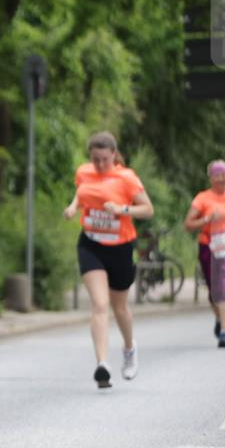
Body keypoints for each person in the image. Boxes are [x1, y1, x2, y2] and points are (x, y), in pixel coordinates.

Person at [62, 131, 154, 388]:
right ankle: (102, 364)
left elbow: (148, 209)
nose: (100, 164)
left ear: (113, 155)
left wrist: (123, 209)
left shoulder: (127, 178)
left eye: (104, 159)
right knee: (100, 305)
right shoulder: (84, 172)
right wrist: (72, 207)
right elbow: (82, 194)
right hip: (91, 244)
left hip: (121, 247)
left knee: (120, 308)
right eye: (95, 159)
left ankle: (129, 349)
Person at [184, 160, 225, 348]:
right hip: (209, 246)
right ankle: (220, 319)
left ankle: (224, 333)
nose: (221, 179)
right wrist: (207, 218)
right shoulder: (202, 198)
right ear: (211, 178)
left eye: (224, 175)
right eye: (217, 175)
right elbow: (188, 224)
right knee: (214, 291)